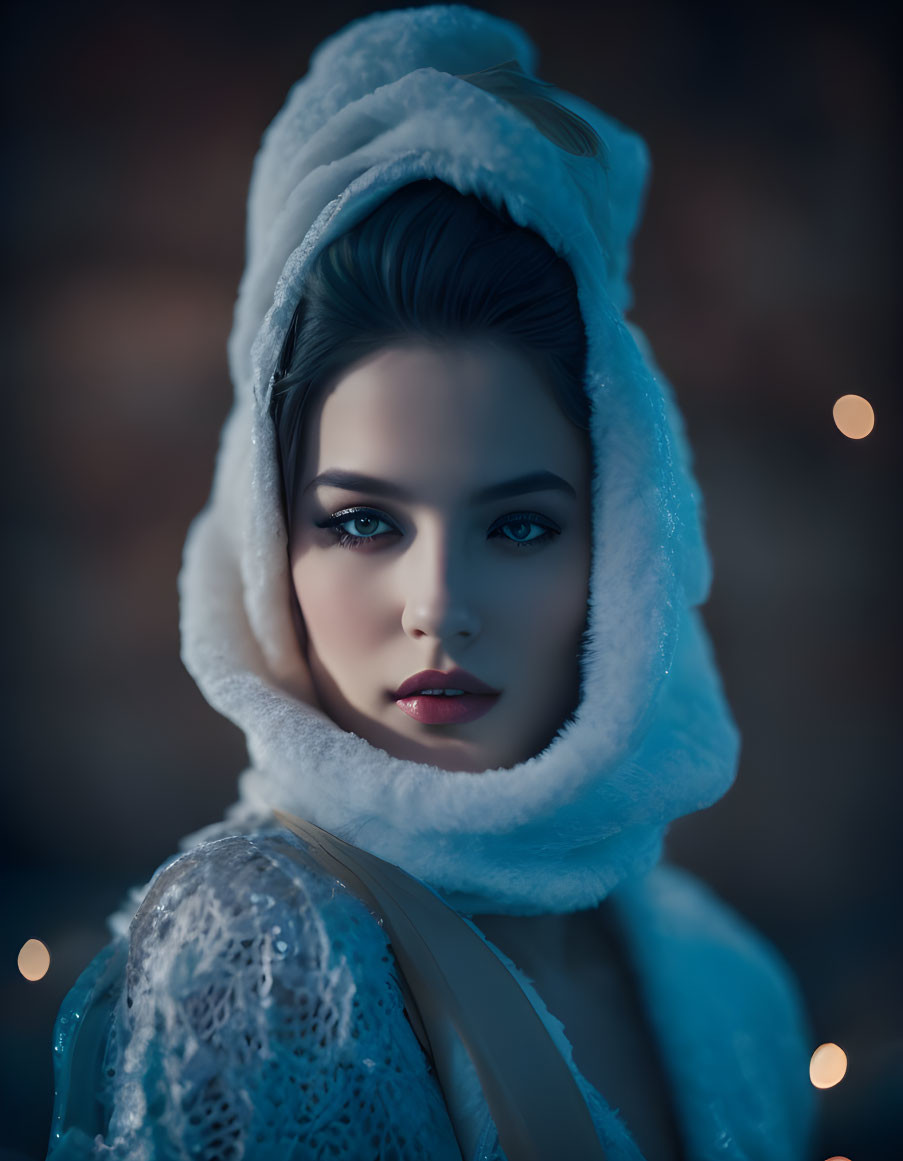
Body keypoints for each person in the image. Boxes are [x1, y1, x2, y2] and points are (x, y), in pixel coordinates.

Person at [46, 7, 815, 1159]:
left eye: (518, 526)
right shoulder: (257, 955)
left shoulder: (727, 977)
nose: (434, 602)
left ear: (625, 550)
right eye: (362, 522)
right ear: (269, 547)